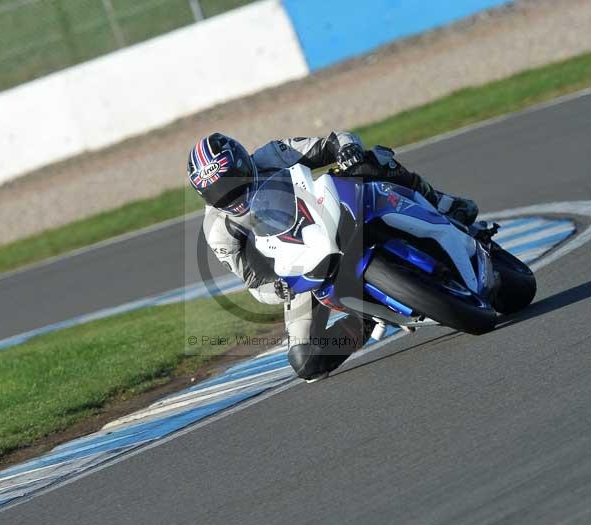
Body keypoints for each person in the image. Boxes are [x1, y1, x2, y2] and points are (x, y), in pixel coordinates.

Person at [188, 132, 478, 381]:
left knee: (371, 159)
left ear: (244, 163)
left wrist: (347, 149)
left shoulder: (274, 153)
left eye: (231, 184)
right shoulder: (217, 231)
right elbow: (252, 281)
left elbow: (334, 140)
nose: (231, 198)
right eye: (218, 195)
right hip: (298, 264)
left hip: (327, 209)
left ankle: (442, 202)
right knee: (305, 360)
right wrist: (278, 287)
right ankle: (361, 322)